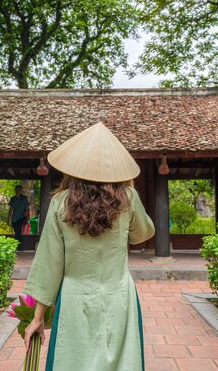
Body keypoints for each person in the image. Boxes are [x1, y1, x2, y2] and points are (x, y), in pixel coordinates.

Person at [23, 122, 155, 371]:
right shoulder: (128, 199)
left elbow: (49, 262)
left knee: (72, 360)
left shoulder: (60, 202)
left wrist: (38, 317)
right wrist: (131, 190)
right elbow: (143, 234)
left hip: (75, 297)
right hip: (119, 295)